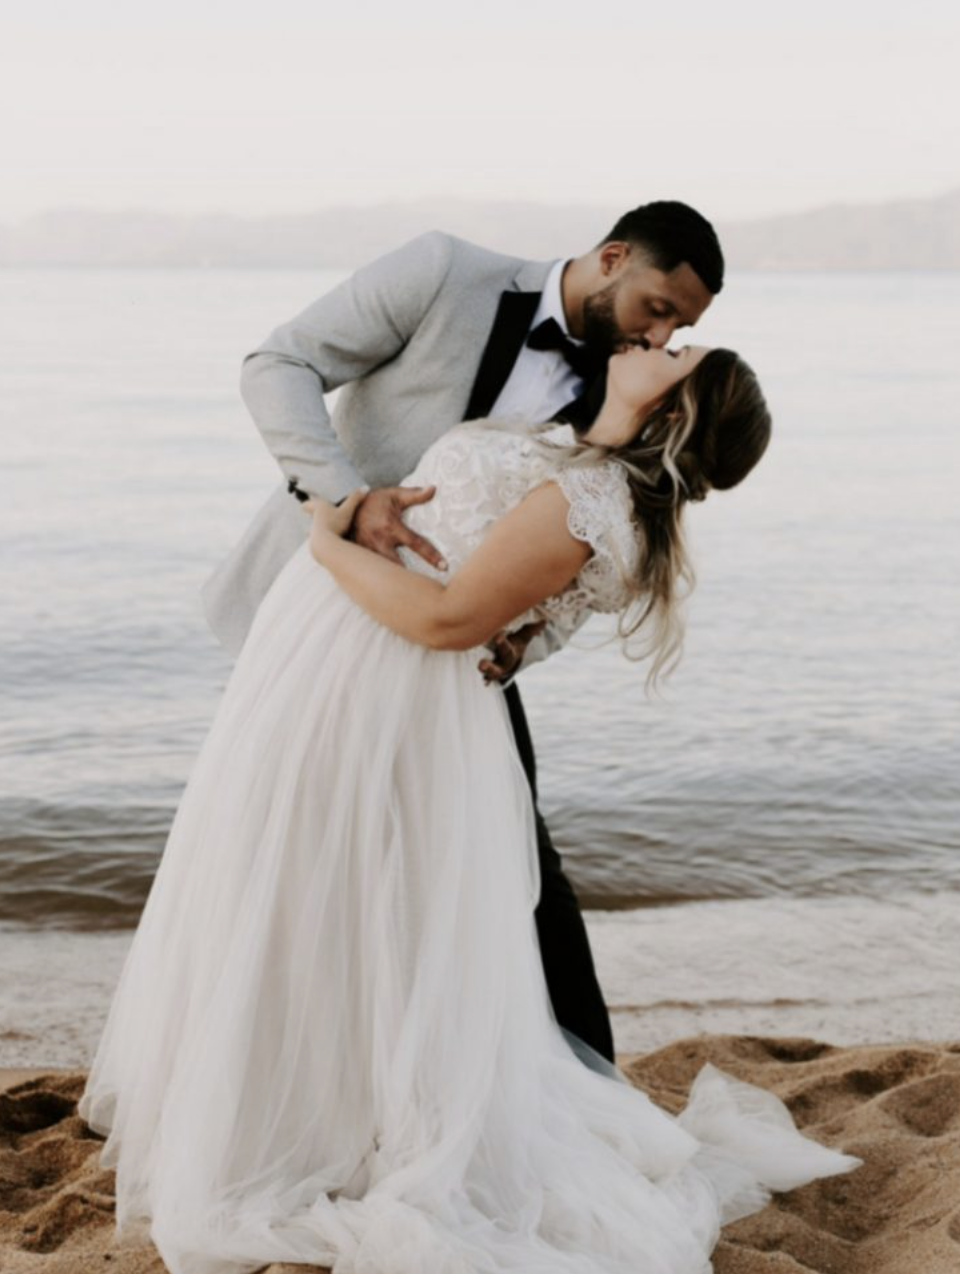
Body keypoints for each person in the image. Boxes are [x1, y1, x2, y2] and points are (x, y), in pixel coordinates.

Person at [79, 342, 860, 1274]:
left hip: (382, 684)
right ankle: (297, 1103)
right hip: (331, 664)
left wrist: (324, 544)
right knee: (292, 885)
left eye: (680, 351)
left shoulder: (591, 502)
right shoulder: (573, 451)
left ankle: (327, 1127)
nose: (662, 342)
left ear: (676, 410)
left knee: (337, 894)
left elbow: (449, 621)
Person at [204, 200, 725, 1064]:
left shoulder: (629, 386)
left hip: (459, 649)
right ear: (613, 258)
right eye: (658, 308)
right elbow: (279, 362)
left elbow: (581, 547)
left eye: (682, 326)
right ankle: (271, 1067)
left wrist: (527, 639)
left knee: (515, 856)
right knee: (295, 845)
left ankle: (584, 1076)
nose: (660, 336)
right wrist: (343, 500)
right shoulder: (446, 272)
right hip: (325, 613)